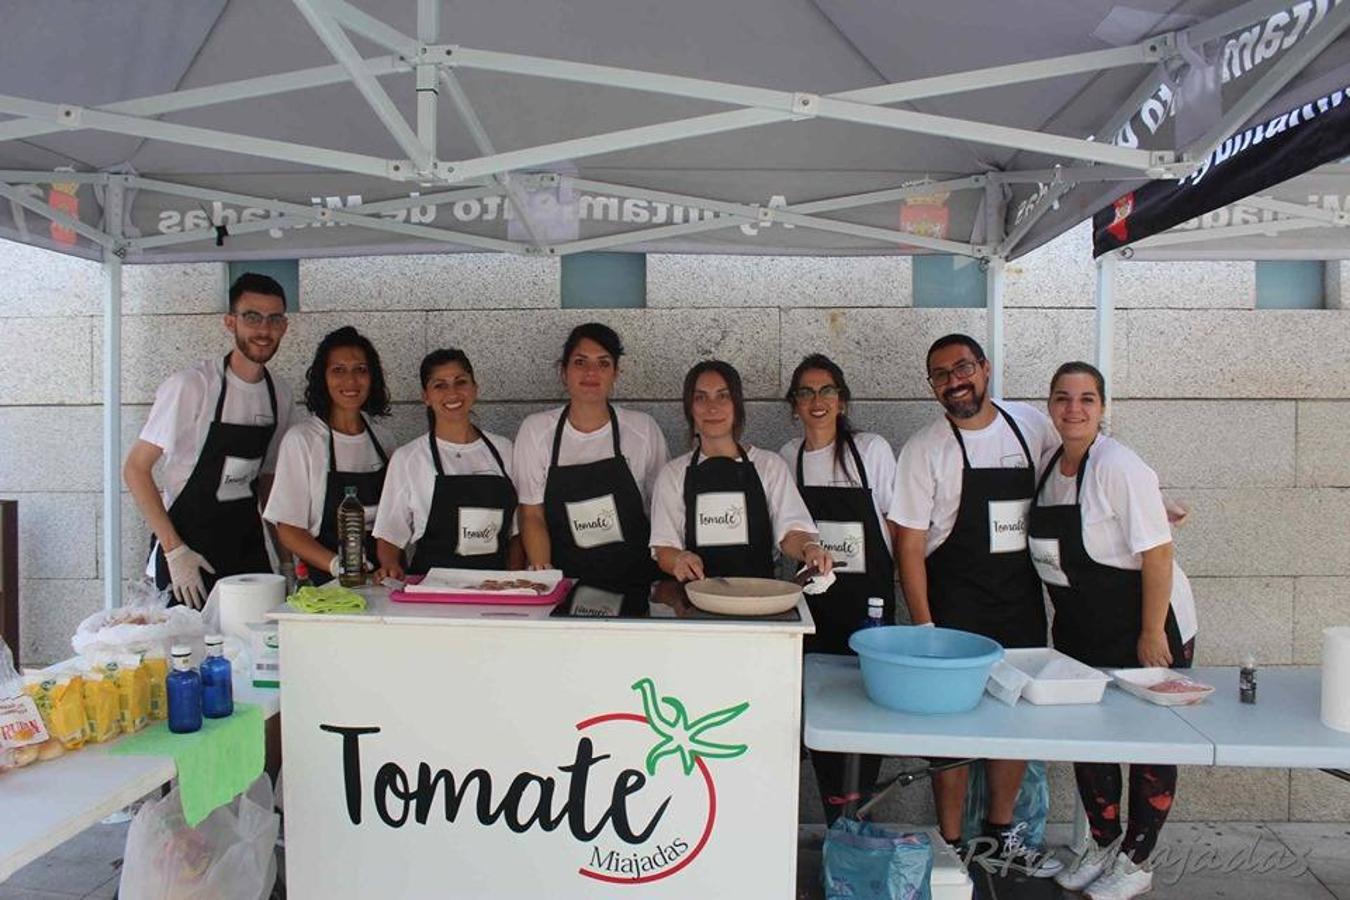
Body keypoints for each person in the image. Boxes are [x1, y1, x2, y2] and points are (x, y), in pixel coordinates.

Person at [887, 333, 1060, 875]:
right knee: (951, 731)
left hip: (1019, 599)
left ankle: (1001, 833)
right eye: (940, 374)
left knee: (1014, 723)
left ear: (984, 369)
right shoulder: (925, 448)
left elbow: (1082, 461)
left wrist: (1148, 500)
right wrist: (924, 627)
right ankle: (952, 839)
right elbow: (907, 544)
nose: (954, 380)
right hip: (953, 603)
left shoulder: (1030, 424)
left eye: (962, 367)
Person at [1030, 362, 1198, 900]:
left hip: (1146, 624)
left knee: (1150, 744)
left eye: (1086, 399)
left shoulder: (1118, 465)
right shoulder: (1050, 464)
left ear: (1102, 408)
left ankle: (1137, 859)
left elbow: (1158, 553)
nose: (1073, 409)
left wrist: (1151, 633)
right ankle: (1103, 844)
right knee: (1092, 741)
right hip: (1082, 628)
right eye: (1062, 398)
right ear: (1051, 406)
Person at [123, 273, 294, 607]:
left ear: (284, 327)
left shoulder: (280, 395)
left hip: (247, 552)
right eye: (252, 317)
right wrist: (174, 551)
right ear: (230, 322)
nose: (263, 329)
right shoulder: (192, 386)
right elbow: (135, 469)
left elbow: (269, 483)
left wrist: (285, 559)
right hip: (189, 554)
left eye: (274, 319)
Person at [779, 354, 897, 821]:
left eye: (827, 390)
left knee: (866, 716)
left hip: (868, 612)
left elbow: (897, 530)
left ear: (842, 400)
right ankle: (837, 823)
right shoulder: (789, 457)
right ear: (794, 406)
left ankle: (857, 820)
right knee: (819, 716)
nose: (817, 401)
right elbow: (786, 533)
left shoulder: (872, 451)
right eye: (805, 392)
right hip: (813, 613)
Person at [512, 323, 668, 589]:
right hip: (565, 581)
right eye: (580, 362)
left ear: (616, 373)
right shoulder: (536, 431)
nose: (591, 373)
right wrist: (545, 578)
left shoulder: (643, 430)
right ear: (564, 372)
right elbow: (531, 514)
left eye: (603, 363)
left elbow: (662, 511)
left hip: (634, 580)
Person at [651, 359, 832, 581]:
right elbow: (664, 548)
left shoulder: (770, 465)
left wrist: (809, 548)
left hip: (760, 600)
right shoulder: (672, 474)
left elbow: (791, 532)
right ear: (690, 408)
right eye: (700, 398)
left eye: (723, 396)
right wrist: (679, 559)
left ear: (737, 404)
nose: (712, 407)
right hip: (695, 601)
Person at [263, 327, 393, 584]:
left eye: (360, 370)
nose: (351, 381)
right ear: (322, 378)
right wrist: (338, 566)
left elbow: (394, 520)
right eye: (338, 370)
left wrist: (390, 565)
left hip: (383, 579)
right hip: (327, 581)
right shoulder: (302, 440)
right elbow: (288, 529)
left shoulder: (384, 440)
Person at [374, 349, 520, 578]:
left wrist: (513, 579)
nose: (452, 393)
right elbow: (390, 534)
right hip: (431, 592)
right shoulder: (408, 458)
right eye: (439, 385)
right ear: (426, 396)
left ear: (475, 388)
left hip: (494, 588)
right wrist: (390, 565)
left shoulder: (505, 450)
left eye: (460, 382)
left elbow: (517, 532)